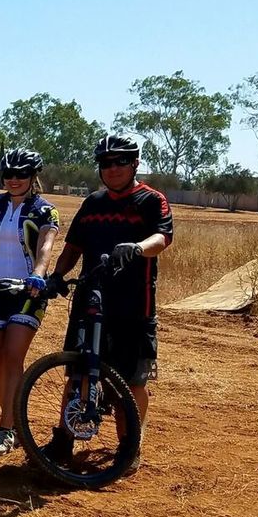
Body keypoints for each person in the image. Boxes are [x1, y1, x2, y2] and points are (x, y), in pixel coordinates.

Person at [47, 133, 174, 467]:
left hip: (133, 305)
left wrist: (138, 248)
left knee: (131, 382)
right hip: (90, 300)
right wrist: (57, 275)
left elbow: (162, 238)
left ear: (135, 163)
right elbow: (73, 247)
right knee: (77, 373)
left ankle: (129, 446)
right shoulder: (93, 203)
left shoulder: (152, 200)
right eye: (106, 162)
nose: (113, 168)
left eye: (121, 161)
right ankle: (63, 440)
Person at [0, 148, 60, 457]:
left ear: (33, 176)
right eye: (8, 174)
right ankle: (13, 418)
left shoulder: (45, 210)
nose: (14, 179)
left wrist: (38, 273)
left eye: (21, 174)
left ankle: (6, 428)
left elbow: (46, 244)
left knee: (12, 355)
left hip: (28, 292)